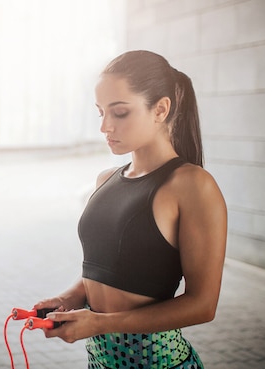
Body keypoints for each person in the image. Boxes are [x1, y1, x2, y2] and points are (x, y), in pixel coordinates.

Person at [34, 50, 227, 368]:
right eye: (100, 113)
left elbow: (203, 305)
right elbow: (110, 270)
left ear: (161, 109)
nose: (105, 127)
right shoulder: (105, 179)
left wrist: (100, 323)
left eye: (120, 112)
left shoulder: (193, 185)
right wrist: (69, 298)